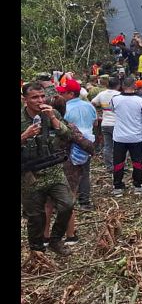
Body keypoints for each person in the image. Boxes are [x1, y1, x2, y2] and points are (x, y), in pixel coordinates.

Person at [21, 82, 74, 256]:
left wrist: (52, 118)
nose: (40, 100)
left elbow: (67, 135)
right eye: (35, 97)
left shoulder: (51, 113)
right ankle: (37, 251)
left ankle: (55, 240)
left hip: (53, 168)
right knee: (35, 216)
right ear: (25, 99)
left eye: (42, 96)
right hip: (29, 173)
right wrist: (25, 135)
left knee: (67, 204)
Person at [57, 79, 97, 211]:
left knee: (68, 173)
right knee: (84, 172)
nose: (61, 95)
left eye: (64, 93)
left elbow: (63, 128)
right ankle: (84, 202)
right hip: (87, 143)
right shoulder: (89, 106)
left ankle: (68, 202)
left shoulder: (65, 108)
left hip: (71, 143)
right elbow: (95, 123)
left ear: (71, 94)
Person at [110, 77, 142, 196]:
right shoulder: (141, 102)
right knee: (137, 162)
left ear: (122, 86)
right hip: (136, 137)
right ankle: (138, 186)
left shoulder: (115, 99)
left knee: (118, 162)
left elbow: (112, 110)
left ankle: (117, 187)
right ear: (135, 86)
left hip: (119, 137)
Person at [91, 77, 121, 173]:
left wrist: (96, 115)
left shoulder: (102, 94)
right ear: (118, 85)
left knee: (108, 146)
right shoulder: (119, 95)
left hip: (105, 123)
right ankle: (118, 165)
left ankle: (109, 166)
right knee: (119, 146)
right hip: (117, 124)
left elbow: (92, 103)